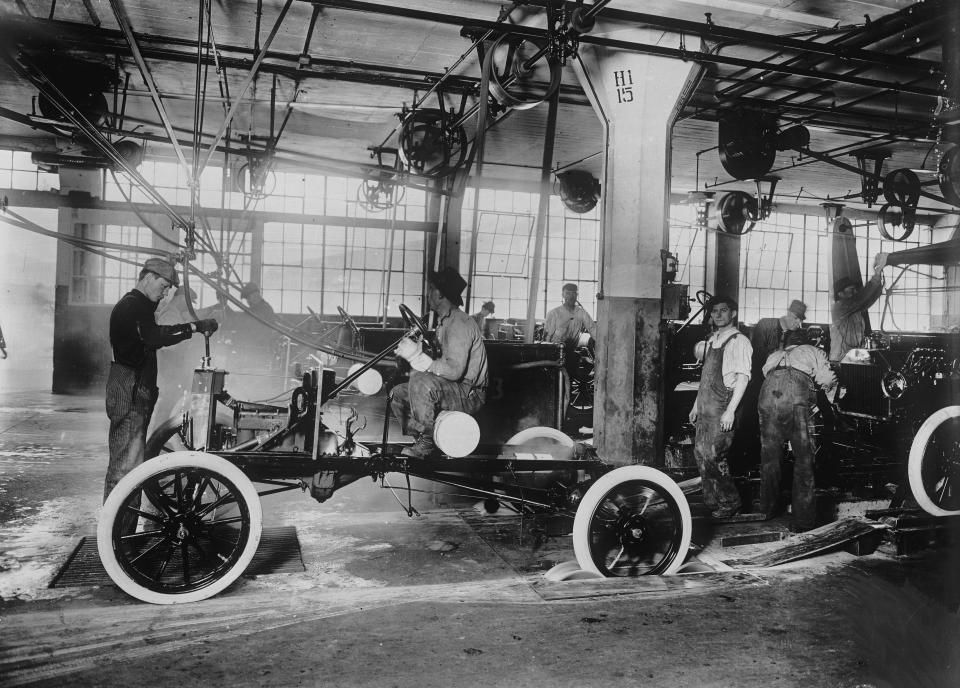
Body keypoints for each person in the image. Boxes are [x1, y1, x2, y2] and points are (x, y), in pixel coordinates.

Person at [104, 258, 218, 500]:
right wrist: (195, 328)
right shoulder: (131, 306)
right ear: (148, 278)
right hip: (131, 389)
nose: (166, 292)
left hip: (135, 388)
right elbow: (154, 337)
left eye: (169, 288)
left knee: (130, 465)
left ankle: (122, 531)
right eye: (164, 285)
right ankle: (117, 534)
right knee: (126, 467)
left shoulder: (139, 306)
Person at [391, 267, 489, 458]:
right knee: (397, 393)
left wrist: (418, 358)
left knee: (420, 382)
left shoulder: (460, 324)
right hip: (454, 388)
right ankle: (421, 435)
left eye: (431, 289)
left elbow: (454, 371)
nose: (428, 294)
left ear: (440, 294)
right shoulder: (444, 322)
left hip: (470, 393)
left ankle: (426, 445)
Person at [758, 328, 838, 531]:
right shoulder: (813, 350)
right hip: (796, 399)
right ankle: (803, 520)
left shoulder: (775, 355)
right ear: (807, 341)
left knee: (770, 457)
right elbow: (827, 379)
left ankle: (766, 510)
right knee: (804, 459)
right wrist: (828, 399)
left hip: (768, 396)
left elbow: (765, 373)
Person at [688, 296, 752, 518]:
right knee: (700, 453)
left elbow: (743, 379)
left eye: (723, 310)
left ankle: (731, 502)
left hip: (723, 406)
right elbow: (704, 379)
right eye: (714, 311)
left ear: (733, 314)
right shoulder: (713, 339)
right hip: (706, 406)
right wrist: (696, 405)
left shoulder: (738, 341)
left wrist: (731, 411)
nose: (717, 315)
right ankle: (712, 501)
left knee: (715, 455)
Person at [829, 253, 888, 362]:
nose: (855, 292)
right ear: (840, 294)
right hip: (840, 360)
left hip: (853, 357)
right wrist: (877, 272)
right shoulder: (839, 307)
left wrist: (880, 281)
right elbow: (861, 299)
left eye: (855, 290)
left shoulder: (854, 309)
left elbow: (868, 299)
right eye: (851, 290)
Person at [543, 283, 596, 350]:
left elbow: (592, 329)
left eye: (574, 293)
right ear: (563, 295)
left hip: (571, 350)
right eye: (568, 293)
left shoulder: (582, 313)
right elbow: (547, 337)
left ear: (577, 295)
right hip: (554, 351)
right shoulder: (554, 313)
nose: (571, 296)